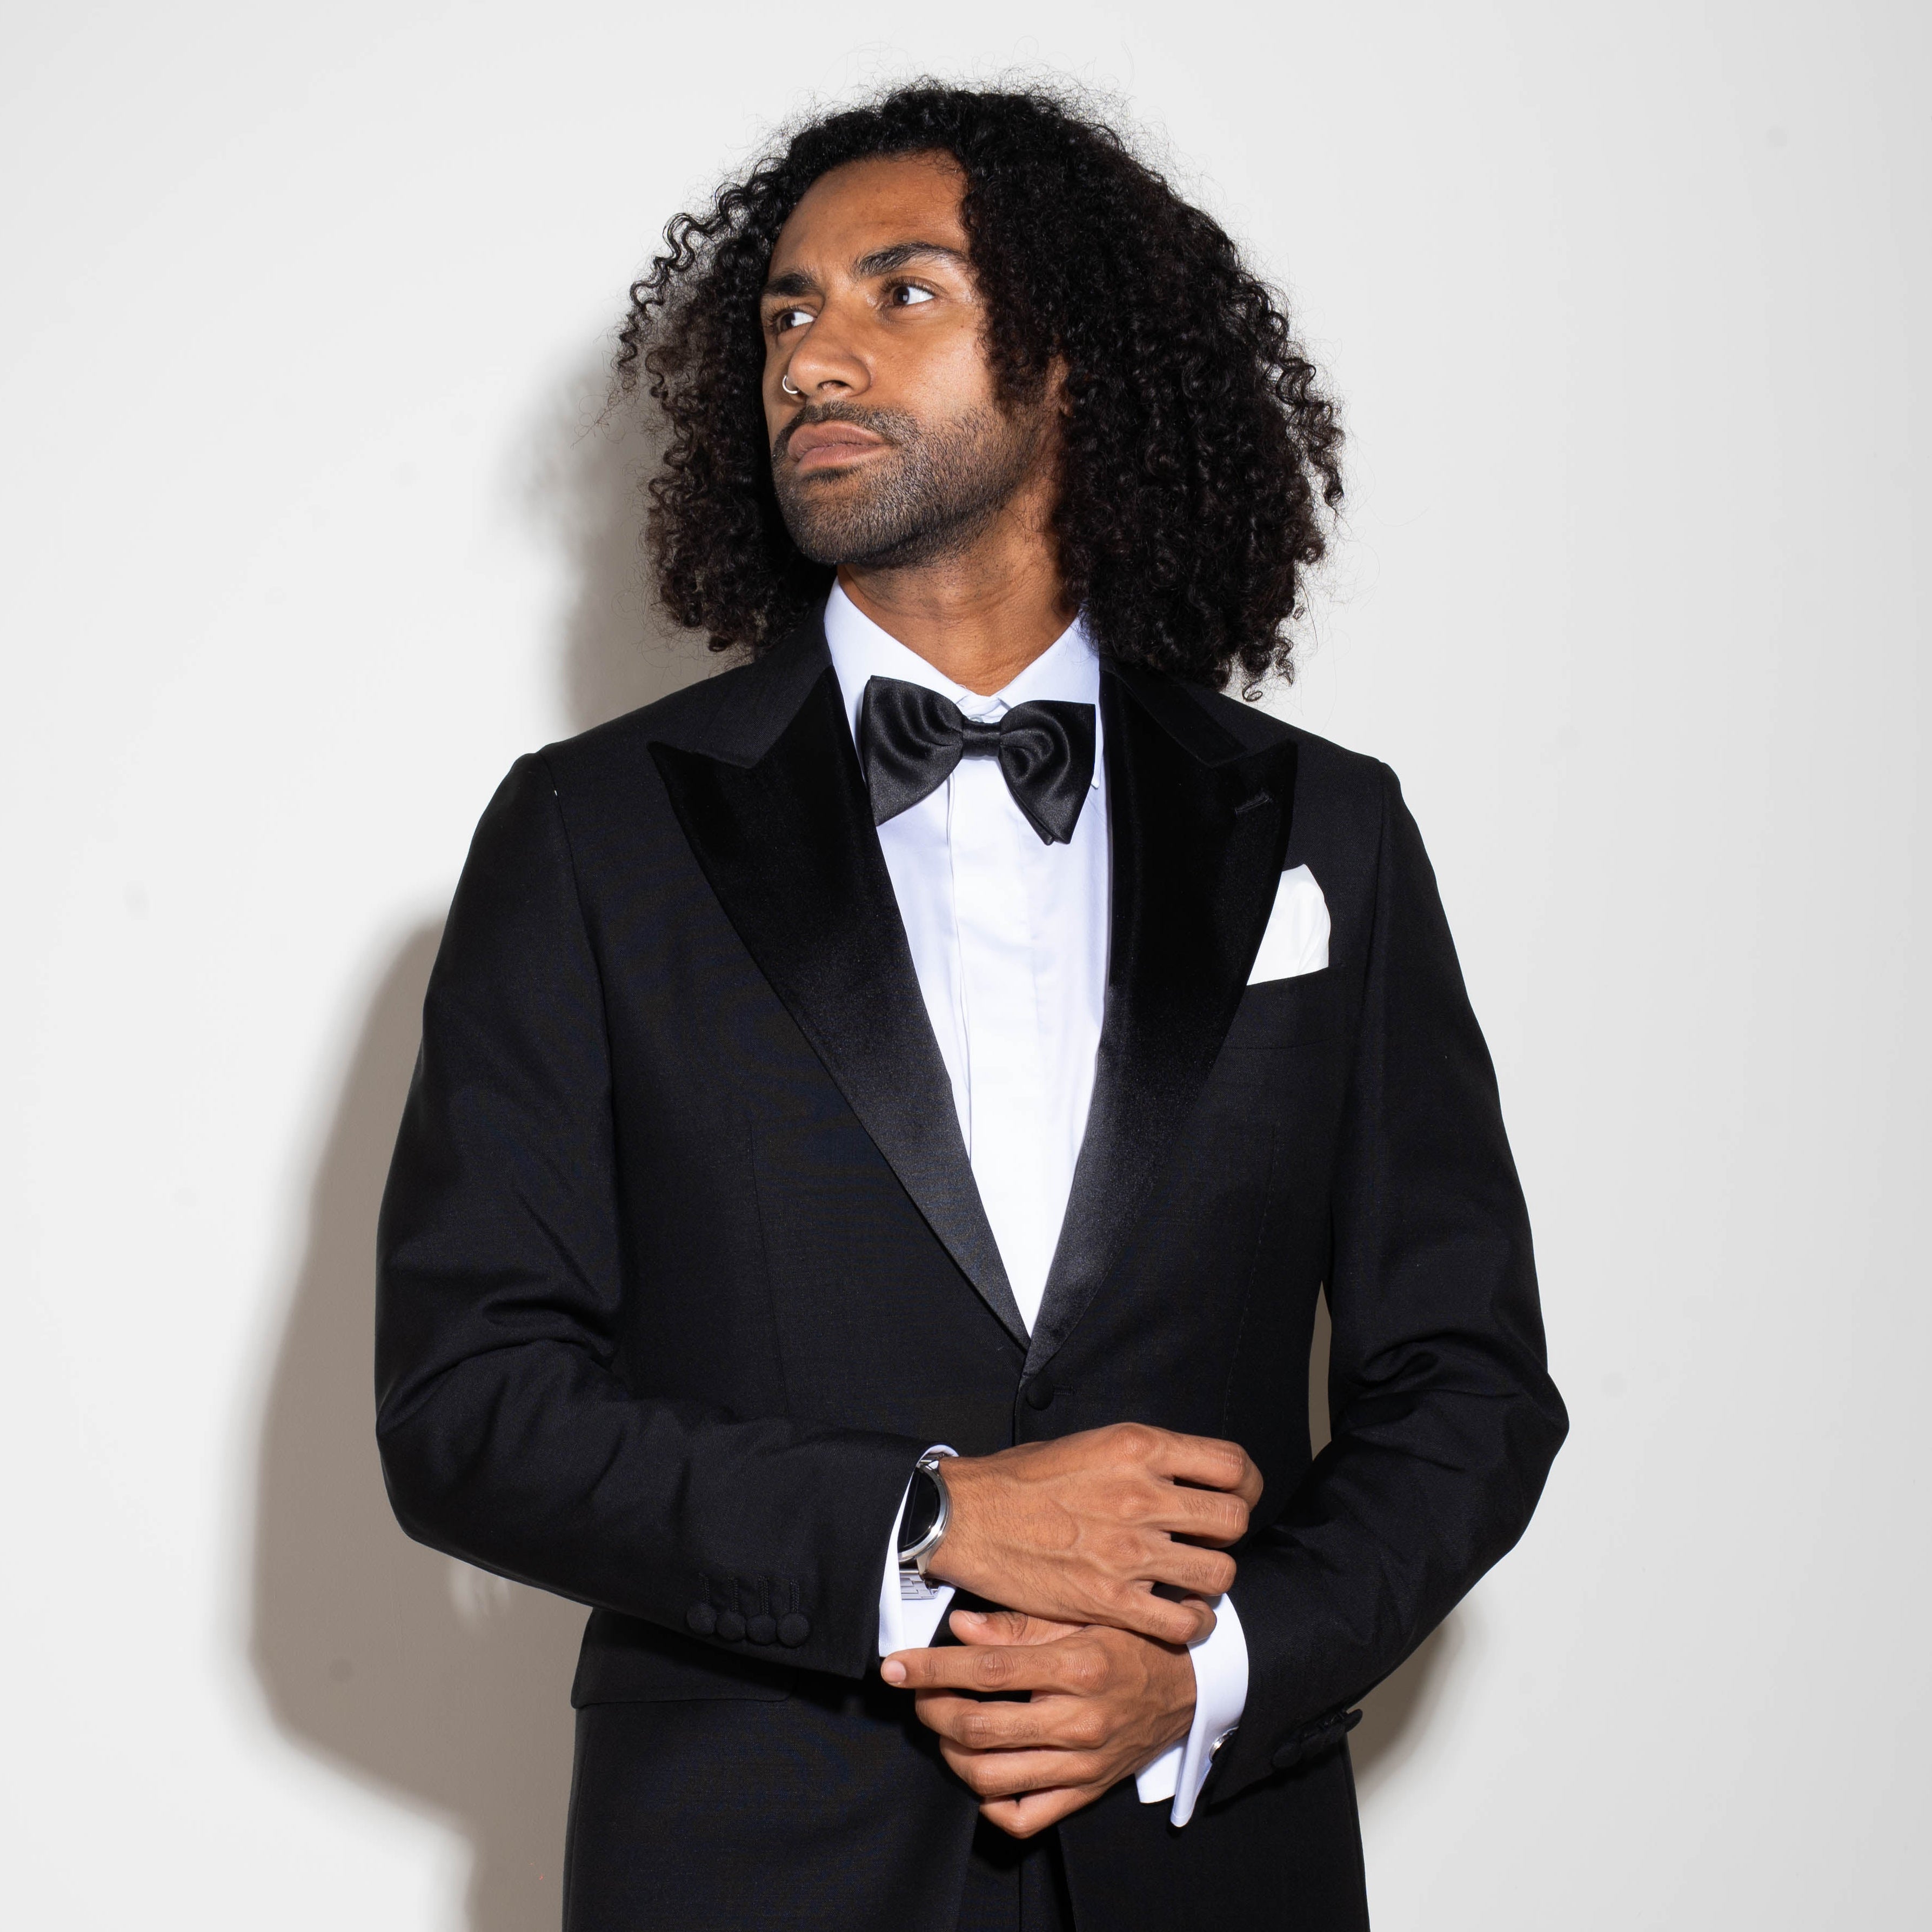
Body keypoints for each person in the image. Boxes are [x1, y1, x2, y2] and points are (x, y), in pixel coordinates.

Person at [375, 82, 1567, 1932]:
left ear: (1070, 359)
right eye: (785, 309)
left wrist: (1212, 1672)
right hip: (753, 1876)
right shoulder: (588, 835)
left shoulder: (1327, 829)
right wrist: (927, 1522)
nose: (811, 355)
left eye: (900, 291)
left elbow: (1467, 1388)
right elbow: (470, 1407)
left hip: (1208, 1870)